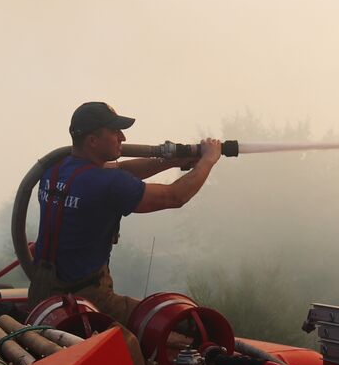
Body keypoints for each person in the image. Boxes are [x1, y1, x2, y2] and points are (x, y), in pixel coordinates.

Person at [27, 101, 222, 329]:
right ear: (92, 140)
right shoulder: (107, 184)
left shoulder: (55, 168)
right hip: (86, 298)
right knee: (168, 331)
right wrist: (208, 160)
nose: (123, 138)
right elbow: (174, 196)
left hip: (42, 295)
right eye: (115, 132)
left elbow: (122, 170)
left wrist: (173, 161)